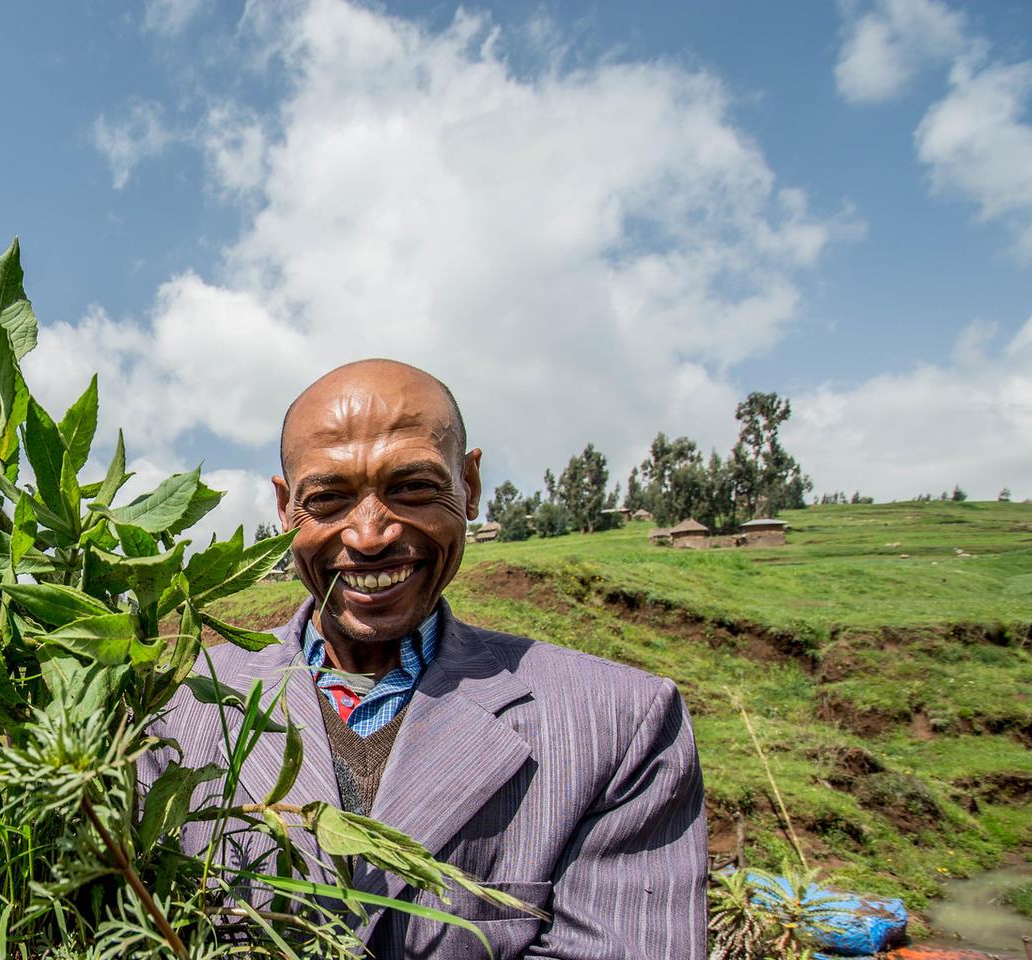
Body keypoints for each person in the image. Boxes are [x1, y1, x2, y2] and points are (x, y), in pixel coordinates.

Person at [142, 359, 706, 959]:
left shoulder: (618, 723)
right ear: (284, 510)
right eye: (328, 499)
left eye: (411, 488)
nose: (368, 534)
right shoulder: (171, 709)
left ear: (470, 486)